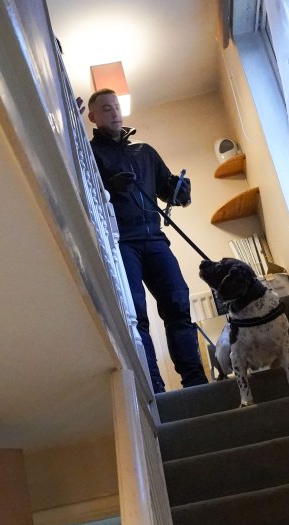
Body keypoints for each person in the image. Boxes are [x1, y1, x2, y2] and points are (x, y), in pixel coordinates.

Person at [87, 88, 208, 393]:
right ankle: (153, 386)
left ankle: (195, 381)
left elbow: (169, 191)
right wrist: (109, 187)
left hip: (155, 239)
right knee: (136, 314)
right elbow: (84, 200)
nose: (114, 112)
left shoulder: (145, 152)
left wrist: (181, 190)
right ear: (92, 117)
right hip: (121, 244)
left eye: (116, 107)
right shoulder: (88, 155)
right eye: (105, 109)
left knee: (178, 302)